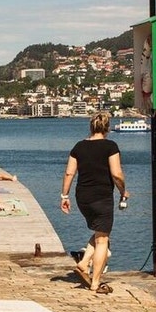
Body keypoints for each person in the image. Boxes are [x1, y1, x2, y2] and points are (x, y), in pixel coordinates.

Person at [60, 112, 129, 295]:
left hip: (82, 197)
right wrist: (123, 191)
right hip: (102, 197)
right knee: (102, 239)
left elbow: (69, 173)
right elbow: (116, 174)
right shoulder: (110, 146)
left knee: (100, 233)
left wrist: (64, 196)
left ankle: (83, 263)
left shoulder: (79, 147)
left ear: (91, 127)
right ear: (107, 128)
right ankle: (95, 283)